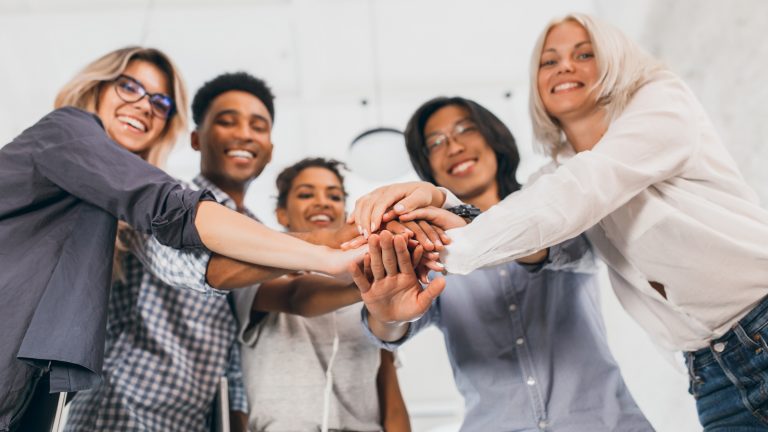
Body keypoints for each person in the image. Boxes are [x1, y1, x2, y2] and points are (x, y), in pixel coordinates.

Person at [348, 13, 768, 431]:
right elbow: (393, 322)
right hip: (709, 371)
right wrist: (387, 303)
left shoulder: (657, 105)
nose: (565, 66)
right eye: (549, 61)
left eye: (584, 53)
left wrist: (451, 216)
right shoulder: (548, 182)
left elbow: (578, 197)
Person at [0, 47, 361, 432]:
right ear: (97, 88)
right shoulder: (70, 130)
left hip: (33, 395)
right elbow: (182, 230)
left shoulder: (115, 206)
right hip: (117, 415)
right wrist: (325, 247)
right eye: (129, 87)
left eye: (160, 101)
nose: (144, 106)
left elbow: (211, 280)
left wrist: (357, 266)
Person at [352, 96, 651, 431]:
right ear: (428, 165)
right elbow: (392, 328)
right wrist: (388, 317)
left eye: (465, 129)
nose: (453, 146)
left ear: (494, 138)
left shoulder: (551, 202)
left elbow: (567, 249)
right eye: (435, 142)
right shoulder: (429, 247)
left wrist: (469, 225)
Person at [64, 71, 285, 431]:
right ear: (196, 139)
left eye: (258, 126)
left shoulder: (260, 232)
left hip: (189, 422)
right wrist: (331, 243)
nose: (244, 133)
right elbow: (209, 266)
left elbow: (235, 347)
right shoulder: (161, 196)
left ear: (270, 148)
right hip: (119, 414)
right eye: (227, 122)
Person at [233, 157, 411, 431]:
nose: (323, 202)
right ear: (281, 214)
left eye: (334, 196)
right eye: (306, 194)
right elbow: (295, 297)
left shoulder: (369, 304)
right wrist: (364, 287)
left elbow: (390, 395)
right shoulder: (255, 279)